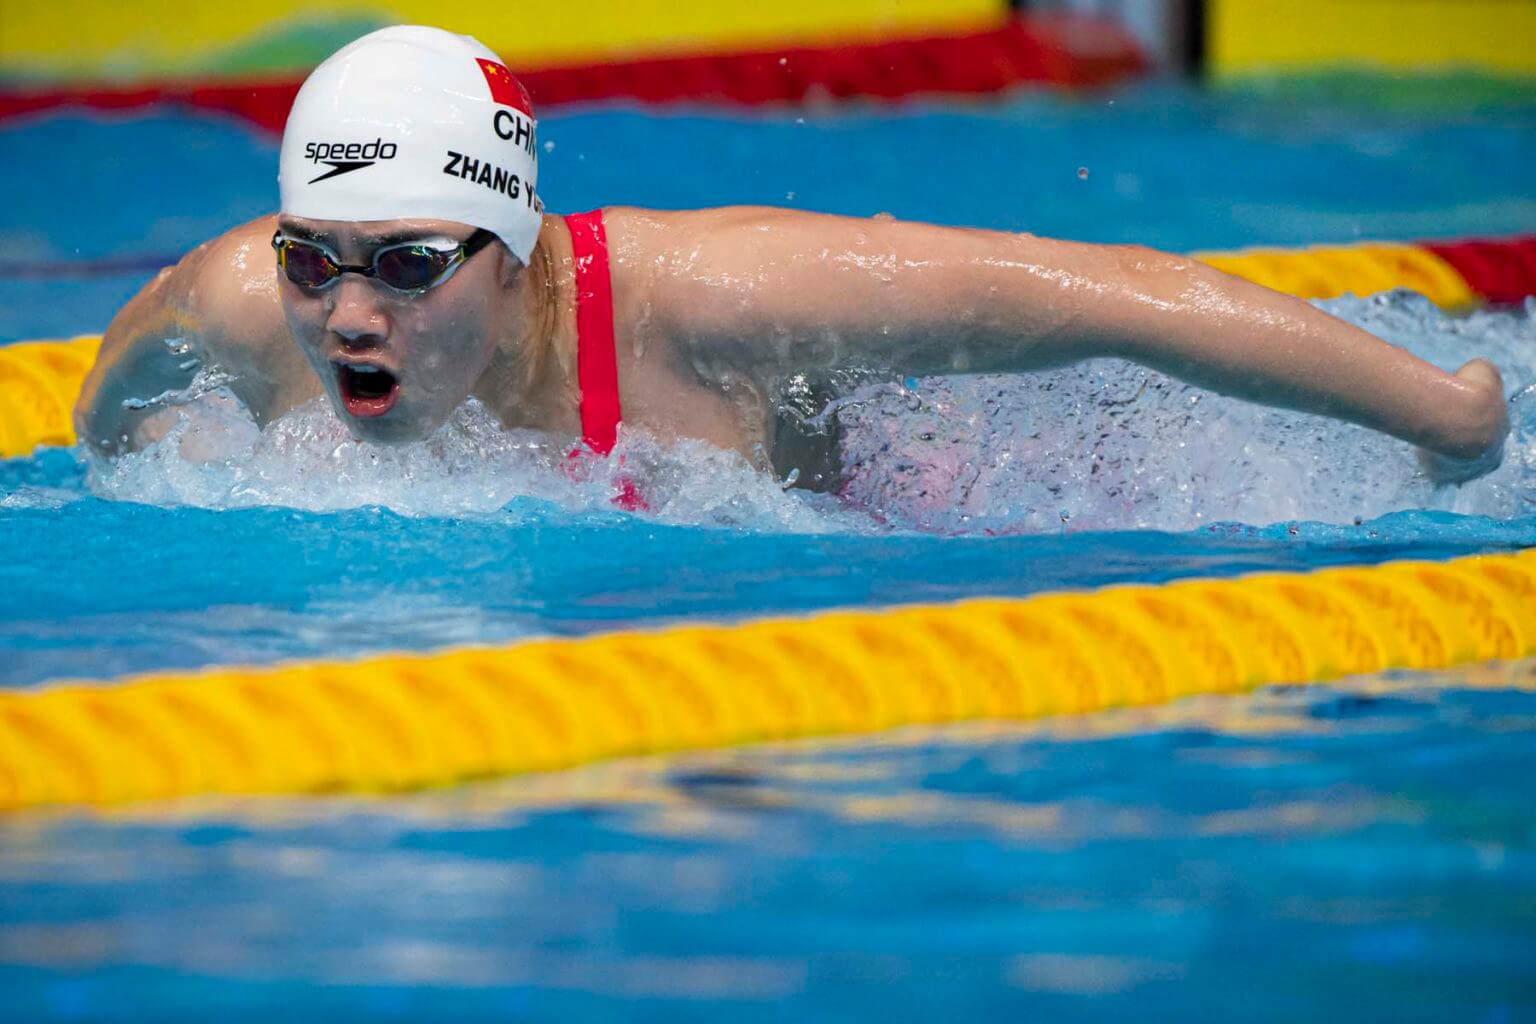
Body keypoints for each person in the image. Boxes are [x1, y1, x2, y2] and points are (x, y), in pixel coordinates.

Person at [75, 25, 1509, 499]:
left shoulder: (720, 304)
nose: (346, 313)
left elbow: (1106, 298)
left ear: (513, 260)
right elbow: (107, 423)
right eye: (313, 258)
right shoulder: (233, 302)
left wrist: (1442, 414)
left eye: (403, 266)